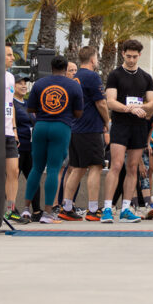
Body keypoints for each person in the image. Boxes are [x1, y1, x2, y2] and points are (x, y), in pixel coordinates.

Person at [23, 56, 84, 223]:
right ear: (66, 69)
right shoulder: (73, 85)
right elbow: (79, 112)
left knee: (36, 168)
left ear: (51, 68)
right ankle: (48, 213)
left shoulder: (40, 84)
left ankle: (26, 209)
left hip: (41, 126)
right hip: (61, 127)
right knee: (53, 169)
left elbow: (30, 108)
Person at [103, 39, 153, 223]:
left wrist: (144, 108)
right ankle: (107, 208)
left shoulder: (146, 77)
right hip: (120, 125)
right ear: (123, 54)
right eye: (128, 56)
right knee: (116, 165)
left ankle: (126, 208)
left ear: (139, 55)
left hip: (139, 127)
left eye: (134, 56)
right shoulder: (115, 75)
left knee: (133, 167)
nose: (131, 60)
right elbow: (110, 101)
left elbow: (152, 103)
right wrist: (130, 108)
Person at [59, 46, 110, 222]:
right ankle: (93, 209)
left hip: (75, 128)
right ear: (93, 59)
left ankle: (66, 207)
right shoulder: (92, 76)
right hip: (90, 129)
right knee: (95, 167)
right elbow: (101, 103)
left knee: (78, 168)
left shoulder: (75, 77)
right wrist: (107, 121)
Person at [14, 76, 41, 223]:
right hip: (17, 148)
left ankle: (37, 210)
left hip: (31, 148)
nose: (24, 86)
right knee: (12, 179)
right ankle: (11, 210)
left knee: (34, 178)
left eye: (25, 84)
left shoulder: (28, 103)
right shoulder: (11, 104)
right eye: (20, 84)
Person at [4, 44, 20, 221]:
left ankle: (11, 209)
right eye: (9, 54)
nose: (13, 58)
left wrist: (14, 128)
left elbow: (11, 104)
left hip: (9, 131)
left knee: (14, 171)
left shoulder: (10, 77)